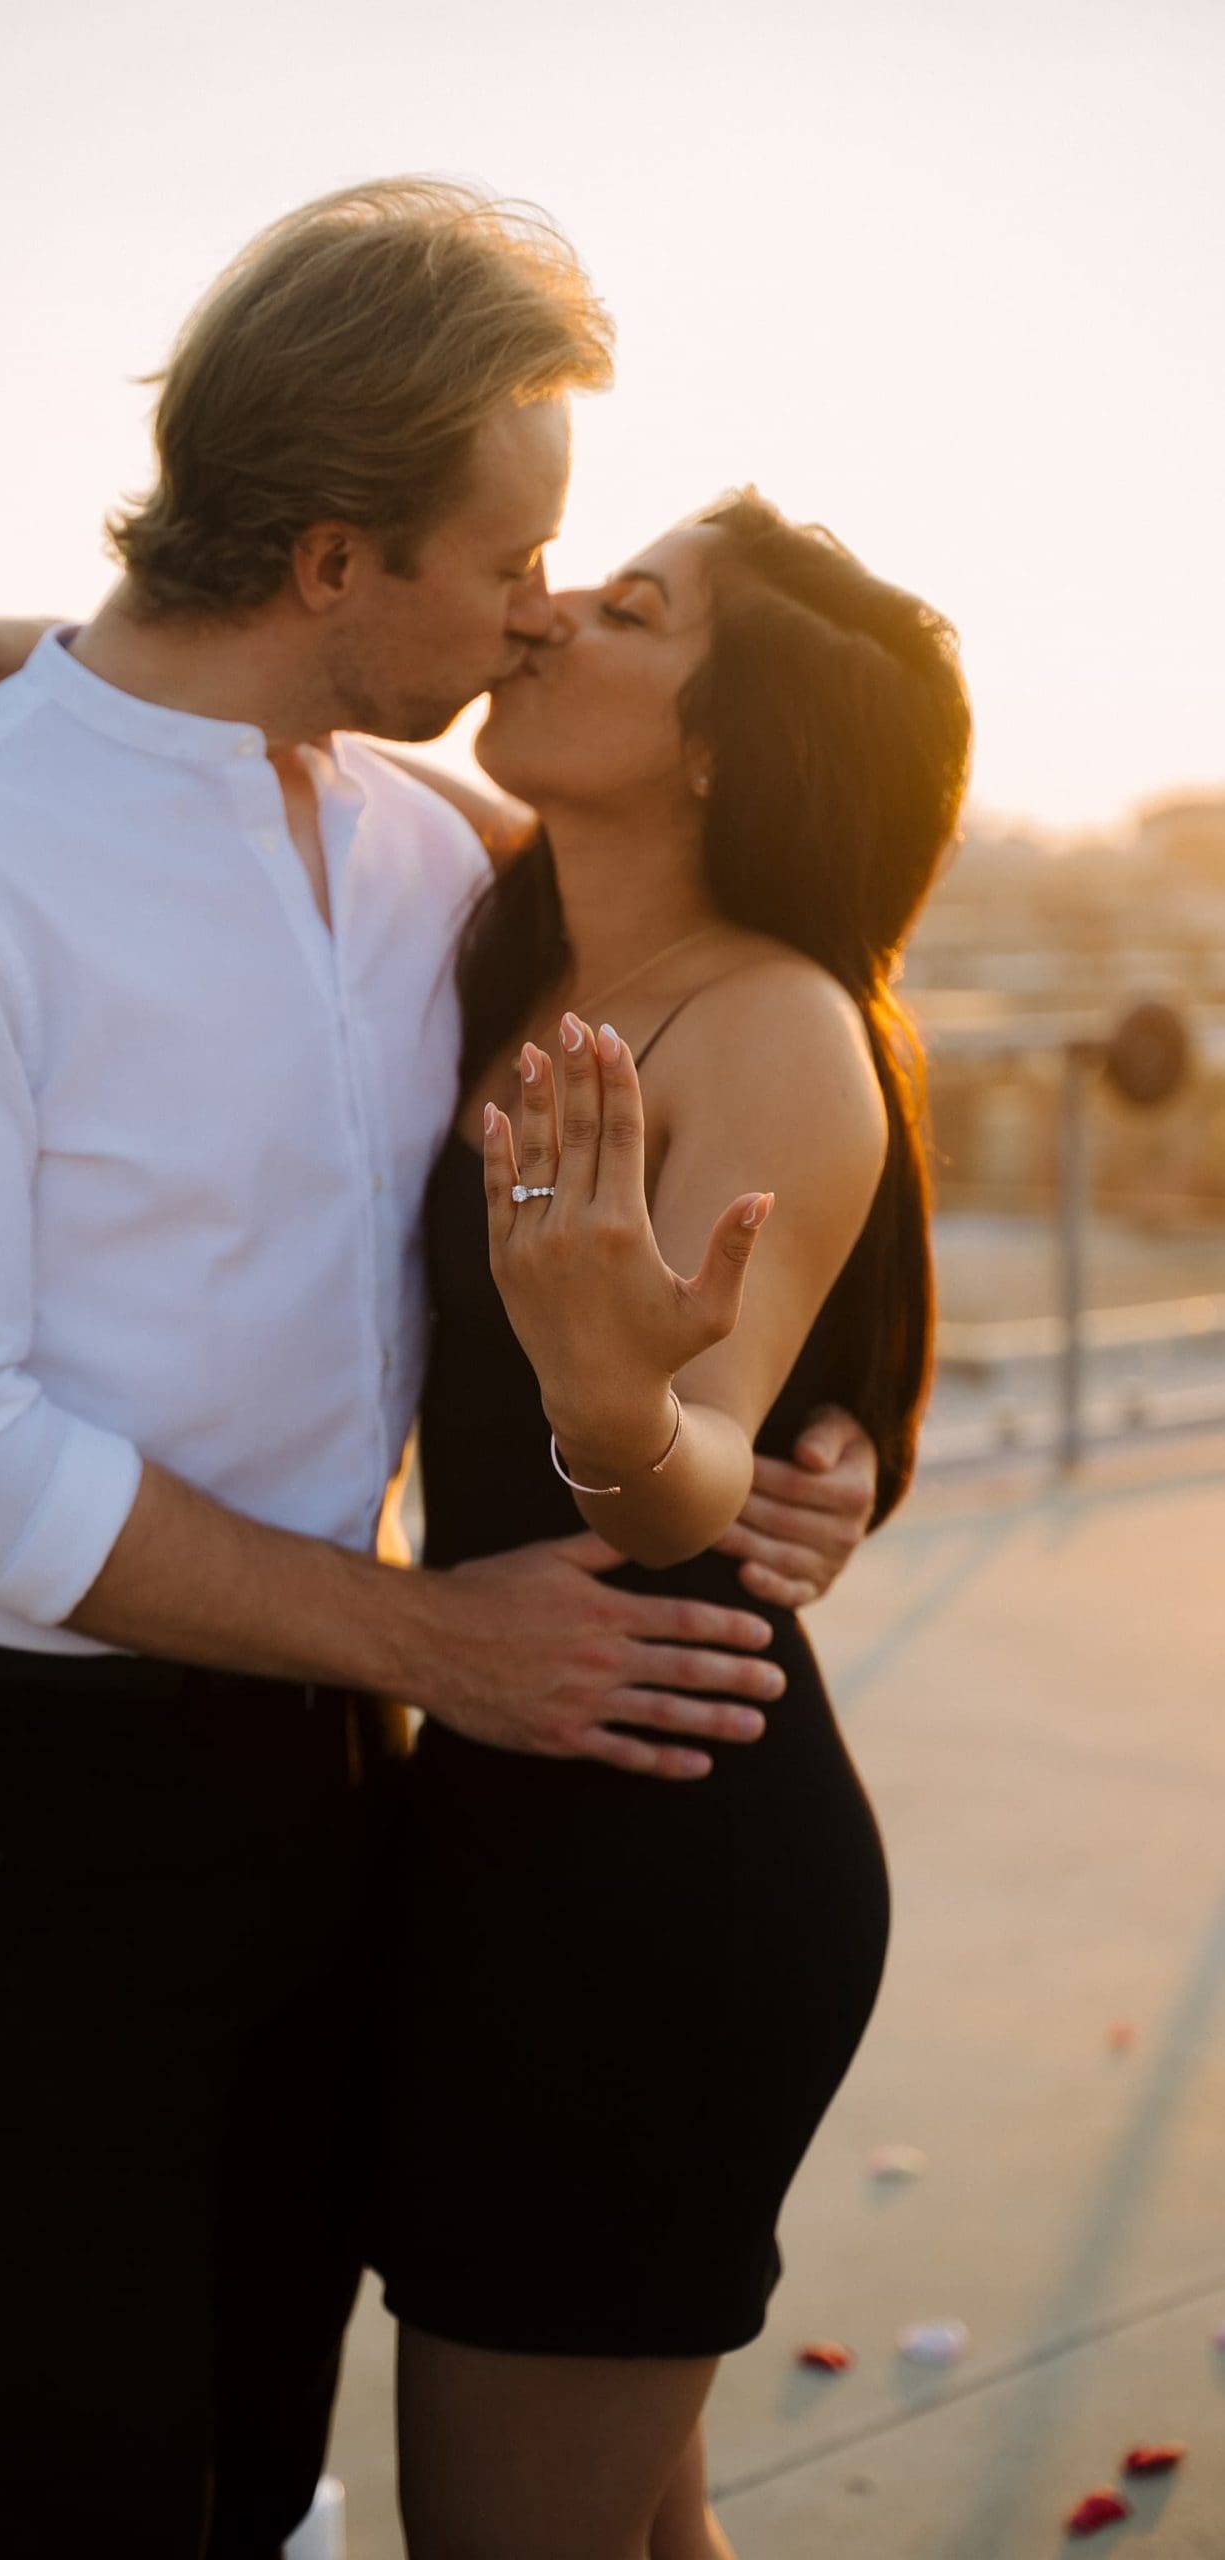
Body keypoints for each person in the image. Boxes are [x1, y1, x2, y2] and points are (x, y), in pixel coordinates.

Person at [0, 180, 878, 2557]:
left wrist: (812, 1429)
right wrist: (436, 1636)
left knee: (262, 2468)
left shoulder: (422, 852)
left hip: (360, 1789)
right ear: (339, 559)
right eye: (510, 557)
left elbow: (770, 970)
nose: (540, 605)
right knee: (92, 2498)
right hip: (38, 1810)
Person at [370, 493, 971, 2560]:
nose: (542, 615)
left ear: (723, 744)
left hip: (658, 1867)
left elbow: (693, 1473)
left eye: (625, 609)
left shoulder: (772, 1020)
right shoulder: (510, 915)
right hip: (520, 1818)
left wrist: (617, 1404)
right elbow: (268, 717)